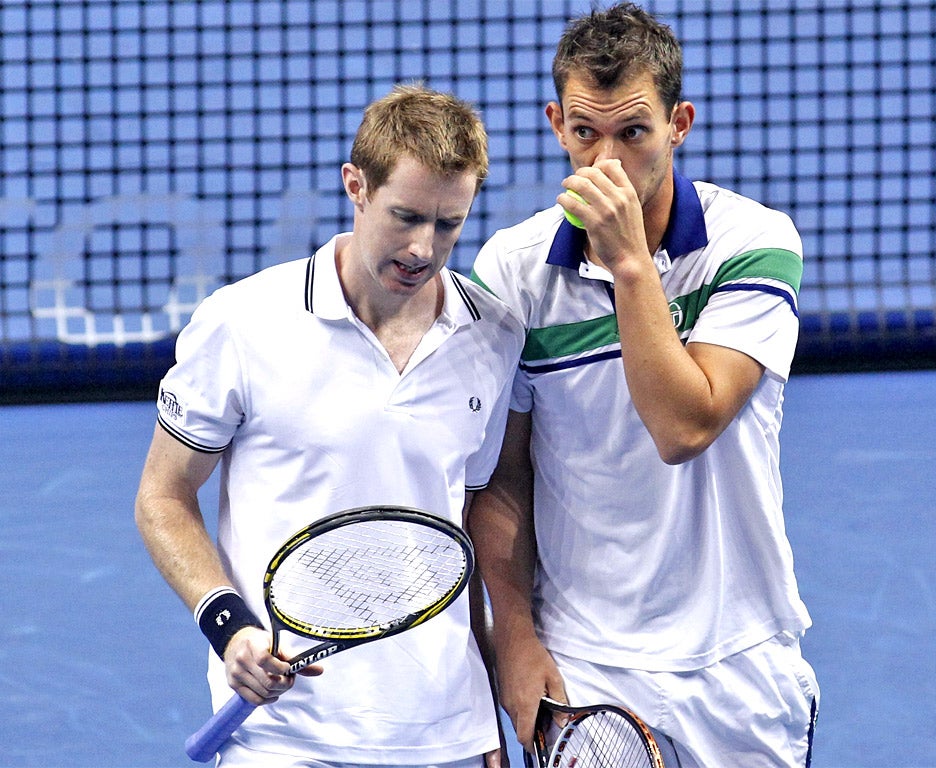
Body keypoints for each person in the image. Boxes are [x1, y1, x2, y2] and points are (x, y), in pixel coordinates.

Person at [468, 4, 818, 767]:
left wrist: (629, 263)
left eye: (633, 133)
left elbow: (683, 428)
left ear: (678, 123)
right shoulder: (511, 272)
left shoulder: (753, 244)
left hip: (740, 659)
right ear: (557, 124)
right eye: (585, 133)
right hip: (591, 664)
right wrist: (516, 643)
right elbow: (500, 479)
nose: (607, 163)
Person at [135, 83, 523, 768]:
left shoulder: (493, 336)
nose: (423, 248)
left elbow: (460, 527)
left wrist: (485, 715)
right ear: (356, 186)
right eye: (405, 216)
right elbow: (162, 497)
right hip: (285, 738)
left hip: (443, 734)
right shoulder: (243, 324)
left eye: (448, 224)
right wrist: (229, 628)